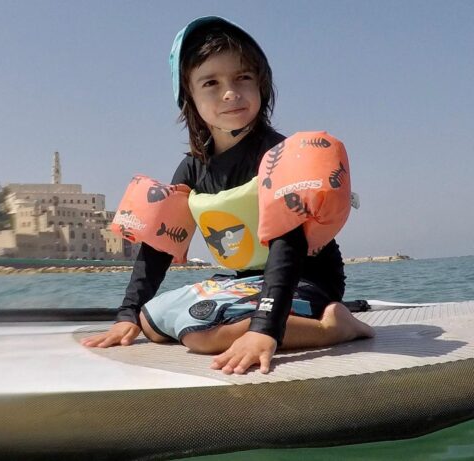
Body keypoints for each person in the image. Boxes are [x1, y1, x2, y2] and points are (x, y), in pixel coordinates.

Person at [81, 16, 374, 374]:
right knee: (151, 323)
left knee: (202, 337)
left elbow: (288, 245)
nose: (230, 92)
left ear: (261, 85)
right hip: (243, 282)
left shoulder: (276, 156)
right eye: (211, 82)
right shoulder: (192, 168)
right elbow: (158, 248)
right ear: (189, 96)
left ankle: (334, 327)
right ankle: (248, 321)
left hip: (303, 280)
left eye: (243, 78)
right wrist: (126, 315)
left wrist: (265, 330)